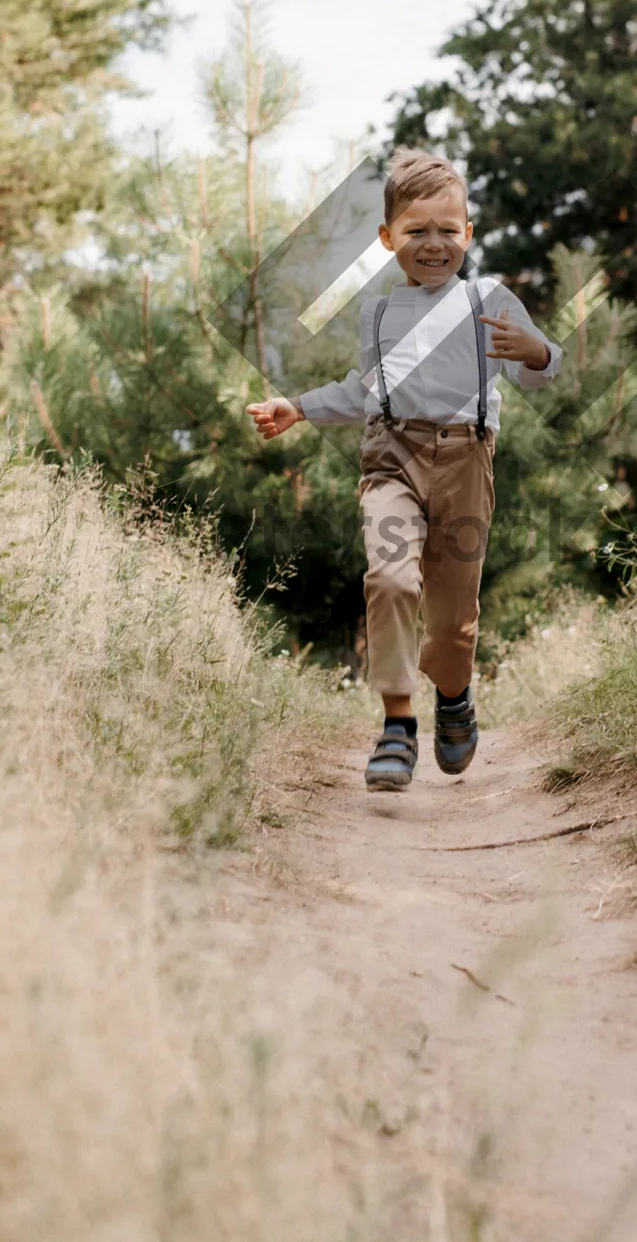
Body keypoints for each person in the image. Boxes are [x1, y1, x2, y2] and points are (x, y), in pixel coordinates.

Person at [247, 149, 562, 792]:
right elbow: (366, 388)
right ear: (388, 238)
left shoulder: (489, 298)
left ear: (468, 234)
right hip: (392, 458)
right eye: (417, 230)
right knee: (389, 578)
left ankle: (453, 695)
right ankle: (397, 723)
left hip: (467, 461)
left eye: (449, 229)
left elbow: (539, 368)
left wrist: (539, 350)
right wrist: (300, 408)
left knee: (453, 617)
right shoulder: (380, 314)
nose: (434, 243)